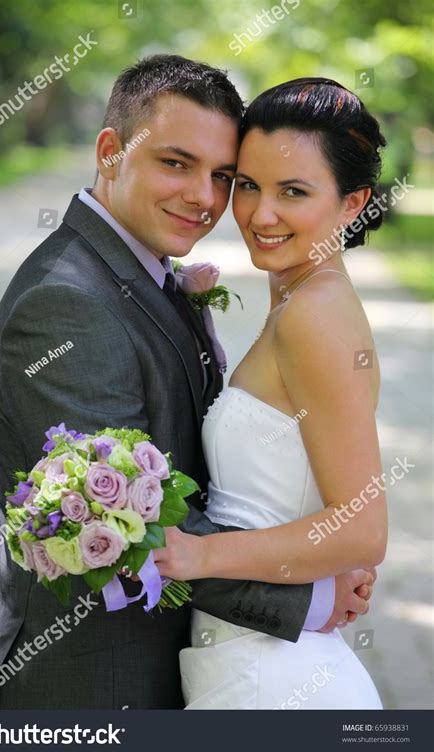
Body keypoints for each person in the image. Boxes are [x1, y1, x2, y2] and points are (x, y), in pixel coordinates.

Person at [0, 60, 374, 710]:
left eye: (222, 176)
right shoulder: (63, 304)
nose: (205, 199)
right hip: (93, 686)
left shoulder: (152, 268)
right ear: (110, 151)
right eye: (176, 163)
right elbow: (124, 522)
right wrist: (308, 591)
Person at [153, 78, 388, 709]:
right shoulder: (300, 298)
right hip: (254, 654)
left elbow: (362, 530)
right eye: (249, 184)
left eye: (294, 192)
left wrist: (198, 556)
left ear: (352, 203)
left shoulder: (315, 314)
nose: (260, 214)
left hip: (276, 680)